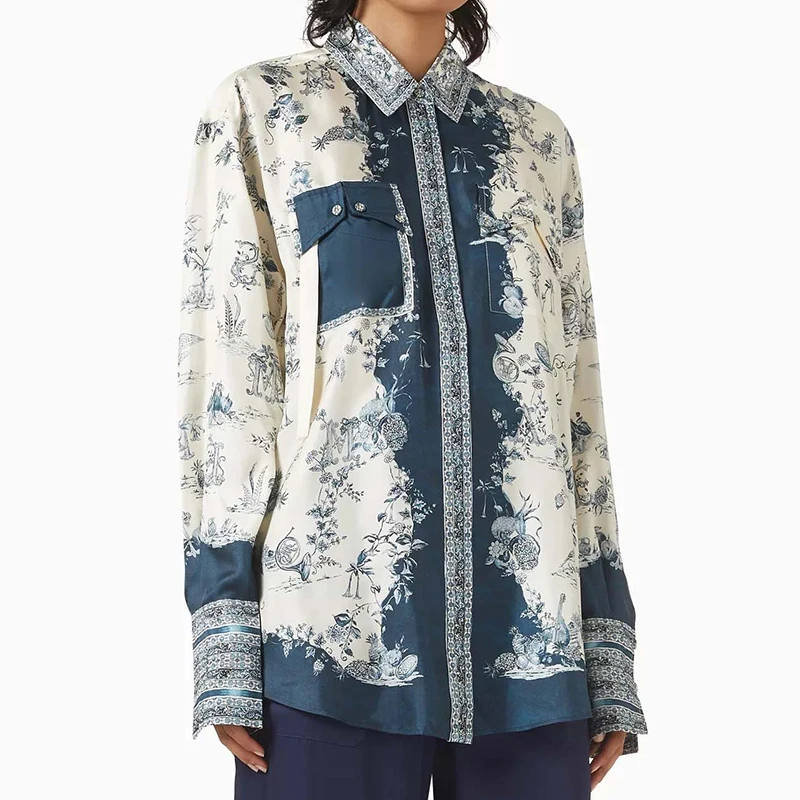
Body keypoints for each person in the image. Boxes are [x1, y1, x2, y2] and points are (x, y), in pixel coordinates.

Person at [178, 1, 647, 797]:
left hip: (533, 649)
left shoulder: (537, 142)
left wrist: (605, 641)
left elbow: (577, 401)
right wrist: (224, 624)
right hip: (329, 646)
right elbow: (228, 378)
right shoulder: (267, 109)